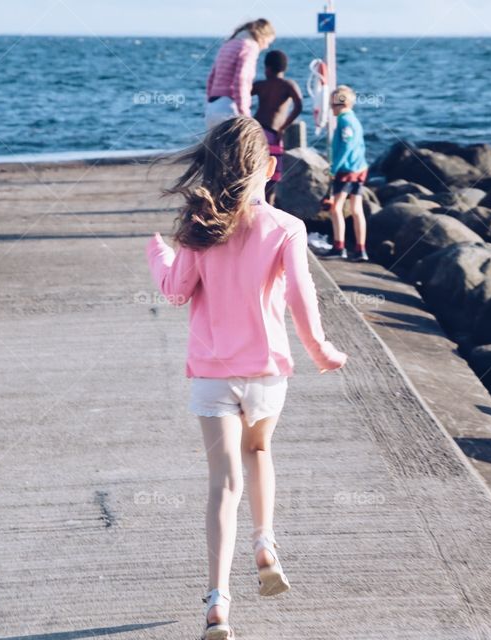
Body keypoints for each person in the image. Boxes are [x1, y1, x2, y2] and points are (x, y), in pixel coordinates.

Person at [146, 116, 348, 640]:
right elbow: (303, 298)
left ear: (210, 168)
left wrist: (158, 253)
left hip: (213, 377)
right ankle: (265, 544)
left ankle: (218, 601)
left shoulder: (198, 226)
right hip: (266, 373)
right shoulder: (286, 227)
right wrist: (321, 350)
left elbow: (174, 291)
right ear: (271, 169)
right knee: (261, 453)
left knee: (223, 484)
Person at [252, 50, 303, 205]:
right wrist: (284, 126)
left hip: (256, 131)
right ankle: (268, 206)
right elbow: (299, 105)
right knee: (272, 176)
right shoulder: (287, 85)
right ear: (284, 68)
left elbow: (241, 97)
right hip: (273, 134)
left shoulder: (260, 85)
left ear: (267, 68)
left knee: (254, 170)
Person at [324, 85, 369, 261]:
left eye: (332, 104)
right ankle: (360, 249)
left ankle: (339, 246)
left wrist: (334, 168)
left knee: (336, 208)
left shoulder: (344, 122)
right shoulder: (354, 119)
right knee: (356, 209)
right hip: (359, 168)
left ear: (339, 104)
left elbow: (345, 147)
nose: (330, 108)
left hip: (347, 170)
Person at [204, 19, 276, 130]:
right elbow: (240, 80)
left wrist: (208, 106)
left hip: (213, 107)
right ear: (262, 35)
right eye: (268, 42)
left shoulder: (228, 45)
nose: (266, 46)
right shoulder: (249, 46)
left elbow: (211, 78)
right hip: (229, 108)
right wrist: (245, 115)